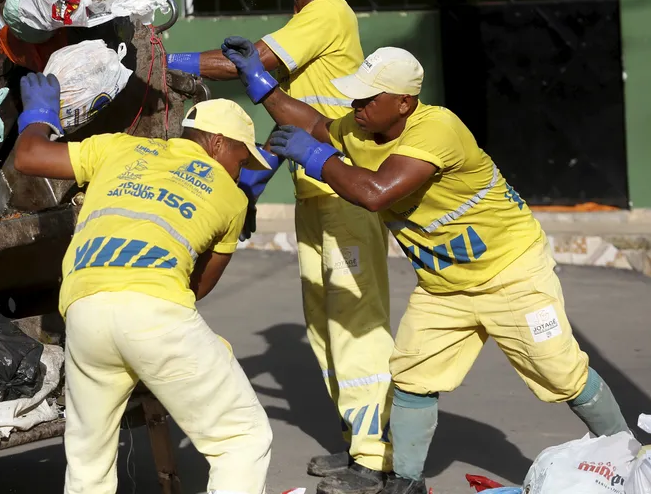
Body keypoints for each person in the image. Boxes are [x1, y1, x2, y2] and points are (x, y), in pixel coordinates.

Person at [219, 39, 630, 494]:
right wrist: (259, 80)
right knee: (412, 376)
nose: (356, 105)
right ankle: (406, 483)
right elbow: (315, 123)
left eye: (368, 98)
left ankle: (626, 456)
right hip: (444, 287)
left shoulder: (437, 130)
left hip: (511, 272)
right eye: (355, 96)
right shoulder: (360, 128)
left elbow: (375, 192)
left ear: (404, 102)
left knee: (560, 371)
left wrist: (318, 159)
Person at [167, 0, 393, 494]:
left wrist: (165, 61)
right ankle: (358, 445)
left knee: (356, 325)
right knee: (323, 328)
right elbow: (286, 107)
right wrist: (258, 179)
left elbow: (256, 66)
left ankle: (375, 459)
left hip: (345, 193)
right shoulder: (306, 19)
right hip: (317, 193)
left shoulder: (328, 13)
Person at [13, 72, 274, 494]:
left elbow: (29, 158)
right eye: (242, 161)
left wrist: (40, 113)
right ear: (219, 143)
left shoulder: (119, 147)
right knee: (241, 439)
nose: (240, 174)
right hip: (156, 313)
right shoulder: (233, 198)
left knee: (88, 466)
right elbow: (197, 286)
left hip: (84, 313)